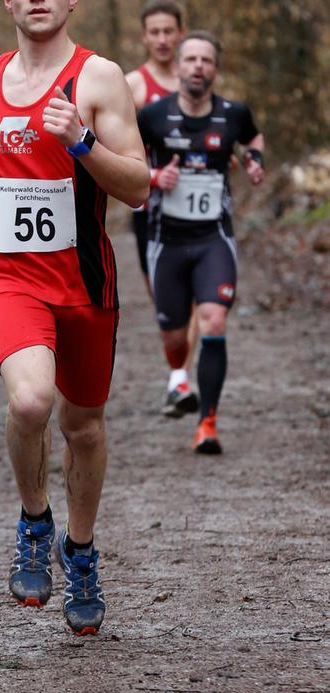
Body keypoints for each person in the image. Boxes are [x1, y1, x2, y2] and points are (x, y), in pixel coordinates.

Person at [0, 0, 149, 636]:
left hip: (83, 280)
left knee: (82, 425)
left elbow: (142, 186)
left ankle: (80, 551)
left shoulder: (100, 79)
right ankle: (34, 519)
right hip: (10, 275)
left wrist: (82, 143)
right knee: (30, 399)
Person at [137, 30, 264, 454]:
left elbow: (253, 138)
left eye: (206, 60)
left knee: (213, 319)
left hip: (214, 238)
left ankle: (207, 422)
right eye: (190, 59)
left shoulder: (233, 114)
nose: (197, 67)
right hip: (166, 240)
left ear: (216, 69)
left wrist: (253, 159)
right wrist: (156, 177)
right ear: (177, 68)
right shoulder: (153, 116)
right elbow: (127, 160)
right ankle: (177, 375)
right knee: (175, 338)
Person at [125, 0, 199, 416]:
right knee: (164, 296)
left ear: (181, 33)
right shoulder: (133, 86)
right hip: (151, 208)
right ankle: (179, 370)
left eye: (169, 31)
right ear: (144, 37)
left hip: (197, 207)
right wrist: (151, 177)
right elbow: (120, 147)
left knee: (194, 292)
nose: (162, 39)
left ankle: (180, 379)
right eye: (154, 32)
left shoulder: (196, 77)